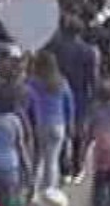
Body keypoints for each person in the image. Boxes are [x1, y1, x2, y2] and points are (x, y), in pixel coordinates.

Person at [25, 50, 75, 194]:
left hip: (40, 123)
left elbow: (27, 102)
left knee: (37, 159)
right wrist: (70, 123)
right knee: (52, 161)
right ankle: (49, 192)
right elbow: (69, 105)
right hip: (59, 124)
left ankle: (33, 190)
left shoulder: (33, 82)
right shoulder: (61, 82)